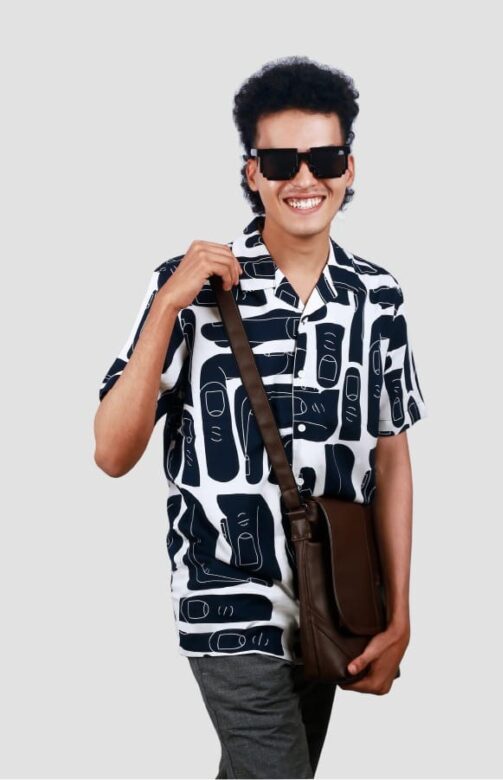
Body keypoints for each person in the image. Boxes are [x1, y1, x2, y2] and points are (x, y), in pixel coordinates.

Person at [94, 55, 428, 779]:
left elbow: (392, 455)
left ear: (349, 168)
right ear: (253, 173)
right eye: (281, 161)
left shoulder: (378, 297)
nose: (304, 178)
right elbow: (112, 453)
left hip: (334, 598)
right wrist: (167, 305)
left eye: (324, 158)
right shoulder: (191, 287)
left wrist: (399, 611)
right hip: (227, 602)